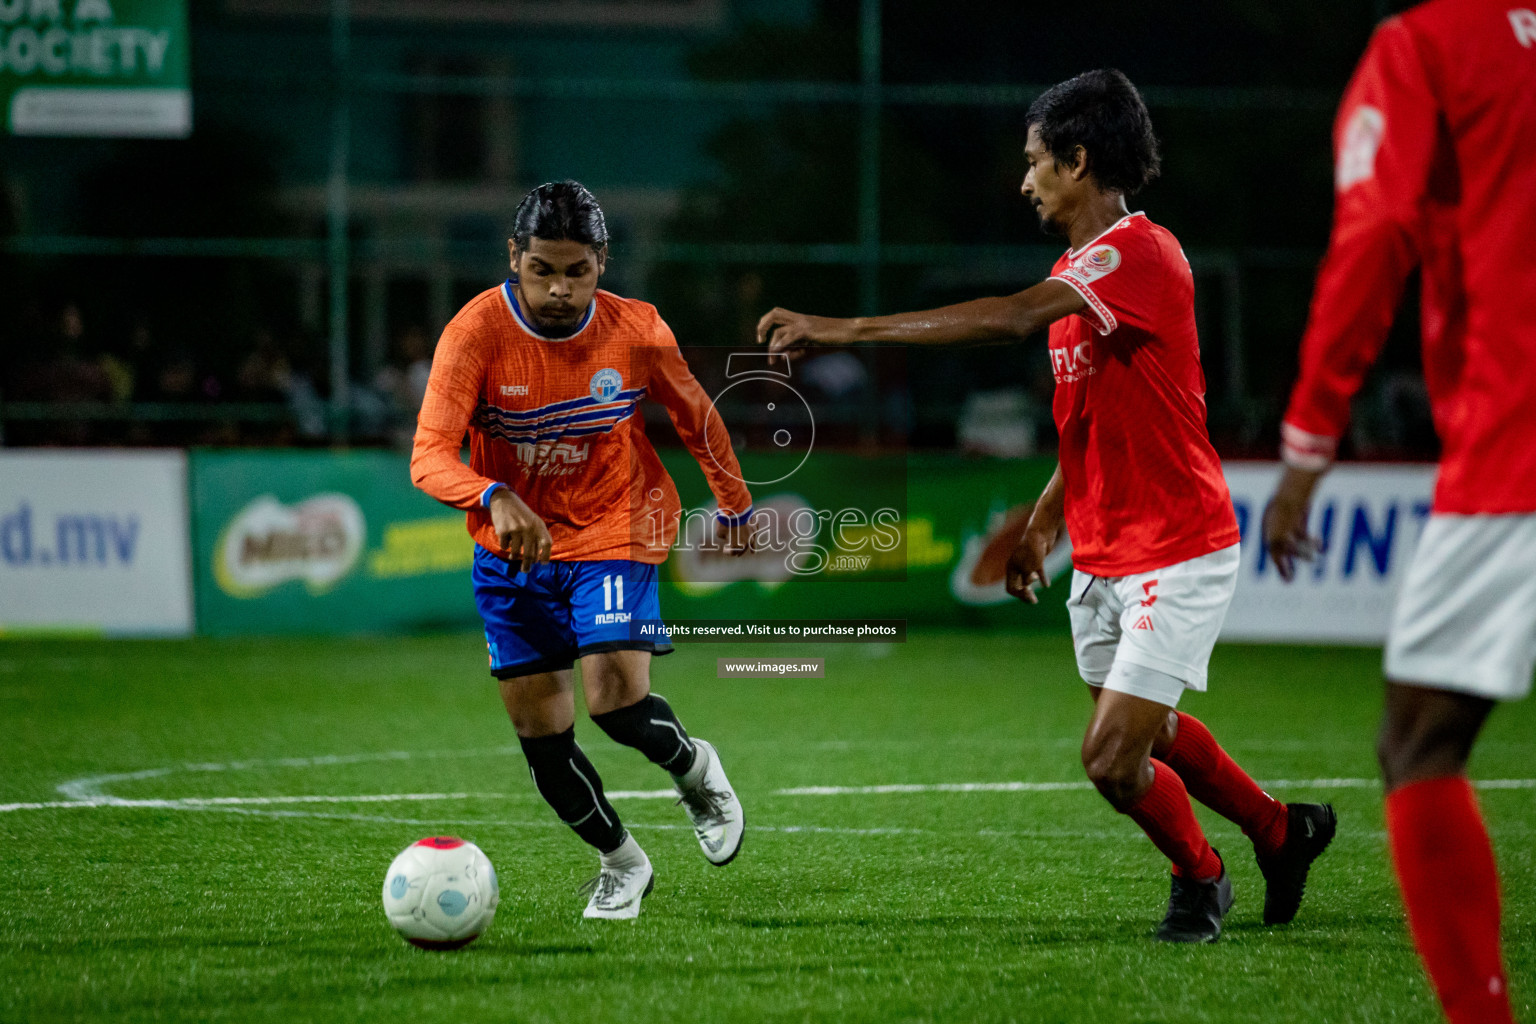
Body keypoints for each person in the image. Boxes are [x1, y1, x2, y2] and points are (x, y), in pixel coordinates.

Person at [759, 69, 1335, 943]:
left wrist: (847, 329)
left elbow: (1011, 317)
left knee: (1111, 757)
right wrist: (1040, 523)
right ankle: (1278, 832)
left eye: (1036, 162)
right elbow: (1090, 425)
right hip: (1103, 551)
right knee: (1153, 733)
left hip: (1175, 548)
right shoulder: (1080, 276)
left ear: (1078, 159)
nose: (1024, 180)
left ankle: (1201, 877)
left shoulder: (1136, 257)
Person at [1263, 3, 1536, 1020]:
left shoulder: (1424, 44)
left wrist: (1306, 445)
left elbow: (1378, 225)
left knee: (1418, 738)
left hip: (1519, 439)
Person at [412, 180, 755, 920]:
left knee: (613, 701)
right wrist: (492, 496)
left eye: (577, 271)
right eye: (542, 270)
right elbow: (428, 455)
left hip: (615, 524)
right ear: (514, 258)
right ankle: (622, 863)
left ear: (602, 260)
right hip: (514, 555)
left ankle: (695, 770)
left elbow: (696, 416)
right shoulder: (474, 334)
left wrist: (734, 502)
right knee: (543, 741)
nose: (560, 289)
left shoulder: (637, 331)